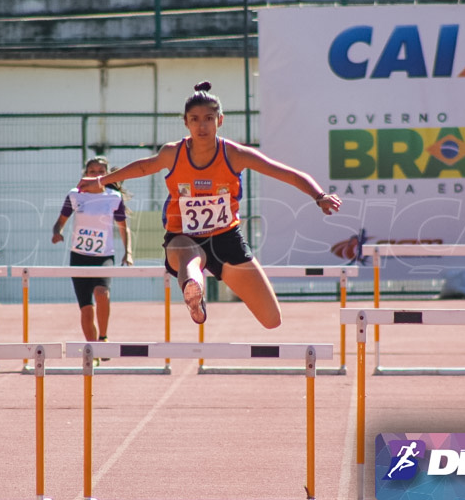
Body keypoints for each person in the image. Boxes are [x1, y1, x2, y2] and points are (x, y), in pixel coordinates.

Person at [76, 81, 341, 329]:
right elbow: (144, 166)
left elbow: (285, 173)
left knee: (272, 319)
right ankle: (195, 294)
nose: (202, 126)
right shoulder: (173, 152)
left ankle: (195, 286)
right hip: (182, 237)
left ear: (220, 121)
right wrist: (101, 180)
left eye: (209, 119)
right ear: (186, 123)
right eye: (195, 120)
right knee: (191, 258)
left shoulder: (235, 155)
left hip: (227, 239)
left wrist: (319, 196)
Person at [52, 156, 133, 349]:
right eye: (92, 171)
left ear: (107, 175)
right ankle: (93, 350)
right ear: (85, 175)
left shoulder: (114, 197)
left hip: (104, 256)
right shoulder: (75, 195)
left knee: (102, 292)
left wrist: (127, 252)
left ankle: (103, 338)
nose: (96, 175)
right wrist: (57, 232)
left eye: (101, 171)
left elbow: (123, 227)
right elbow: (60, 221)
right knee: (87, 310)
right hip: (79, 257)